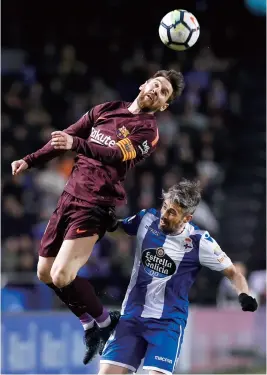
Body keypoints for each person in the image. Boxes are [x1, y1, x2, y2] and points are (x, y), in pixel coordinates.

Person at [11, 69, 185, 364]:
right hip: (68, 197)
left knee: (62, 275)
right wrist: (29, 160)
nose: (156, 91)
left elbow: (115, 154)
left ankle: (104, 321)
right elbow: (64, 137)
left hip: (96, 205)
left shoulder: (147, 132)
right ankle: (95, 324)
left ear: (163, 106)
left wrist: (75, 145)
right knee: (44, 273)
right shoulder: (106, 109)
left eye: (164, 92)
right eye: (155, 85)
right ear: (143, 85)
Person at [99, 180, 258, 375]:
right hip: (131, 317)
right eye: (164, 207)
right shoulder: (147, 218)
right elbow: (119, 228)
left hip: (166, 324)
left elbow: (234, 273)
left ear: (187, 218)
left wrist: (244, 295)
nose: (164, 216)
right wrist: (109, 223)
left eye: (172, 212)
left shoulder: (200, 242)